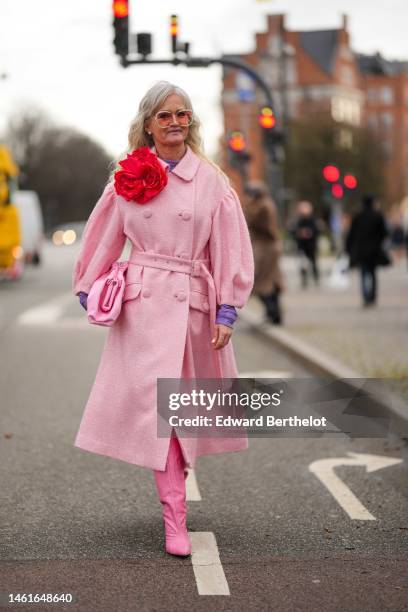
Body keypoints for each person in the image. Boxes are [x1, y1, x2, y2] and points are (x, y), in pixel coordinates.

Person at [72, 81, 254, 557]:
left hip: (192, 306)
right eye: (165, 115)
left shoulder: (212, 181)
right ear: (148, 123)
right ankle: (175, 516)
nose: (175, 122)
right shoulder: (127, 177)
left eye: (183, 114)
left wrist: (227, 308)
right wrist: (90, 290)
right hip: (143, 308)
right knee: (162, 414)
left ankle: (175, 491)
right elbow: (104, 238)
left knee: (181, 411)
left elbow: (229, 247)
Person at [243, 180, 284, 324]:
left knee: (262, 282)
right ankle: (273, 314)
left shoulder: (263, 207)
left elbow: (249, 219)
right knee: (270, 282)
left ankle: (273, 312)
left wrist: (248, 204)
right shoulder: (266, 204)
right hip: (269, 247)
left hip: (266, 248)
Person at [345, 194, 389, 307]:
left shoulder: (358, 217)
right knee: (373, 274)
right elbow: (384, 233)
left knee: (364, 273)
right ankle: (372, 296)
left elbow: (351, 234)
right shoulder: (378, 216)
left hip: (361, 250)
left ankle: (365, 296)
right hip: (374, 250)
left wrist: (348, 248)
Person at [290, 201, 320, 288]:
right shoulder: (298, 221)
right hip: (301, 246)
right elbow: (293, 231)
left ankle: (316, 277)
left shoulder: (313, 221)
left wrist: (310, 233)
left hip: (311, 246)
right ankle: (304, 279)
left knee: (313, 262)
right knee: (302, 264)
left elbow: (316, 231)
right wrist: (299, 233)